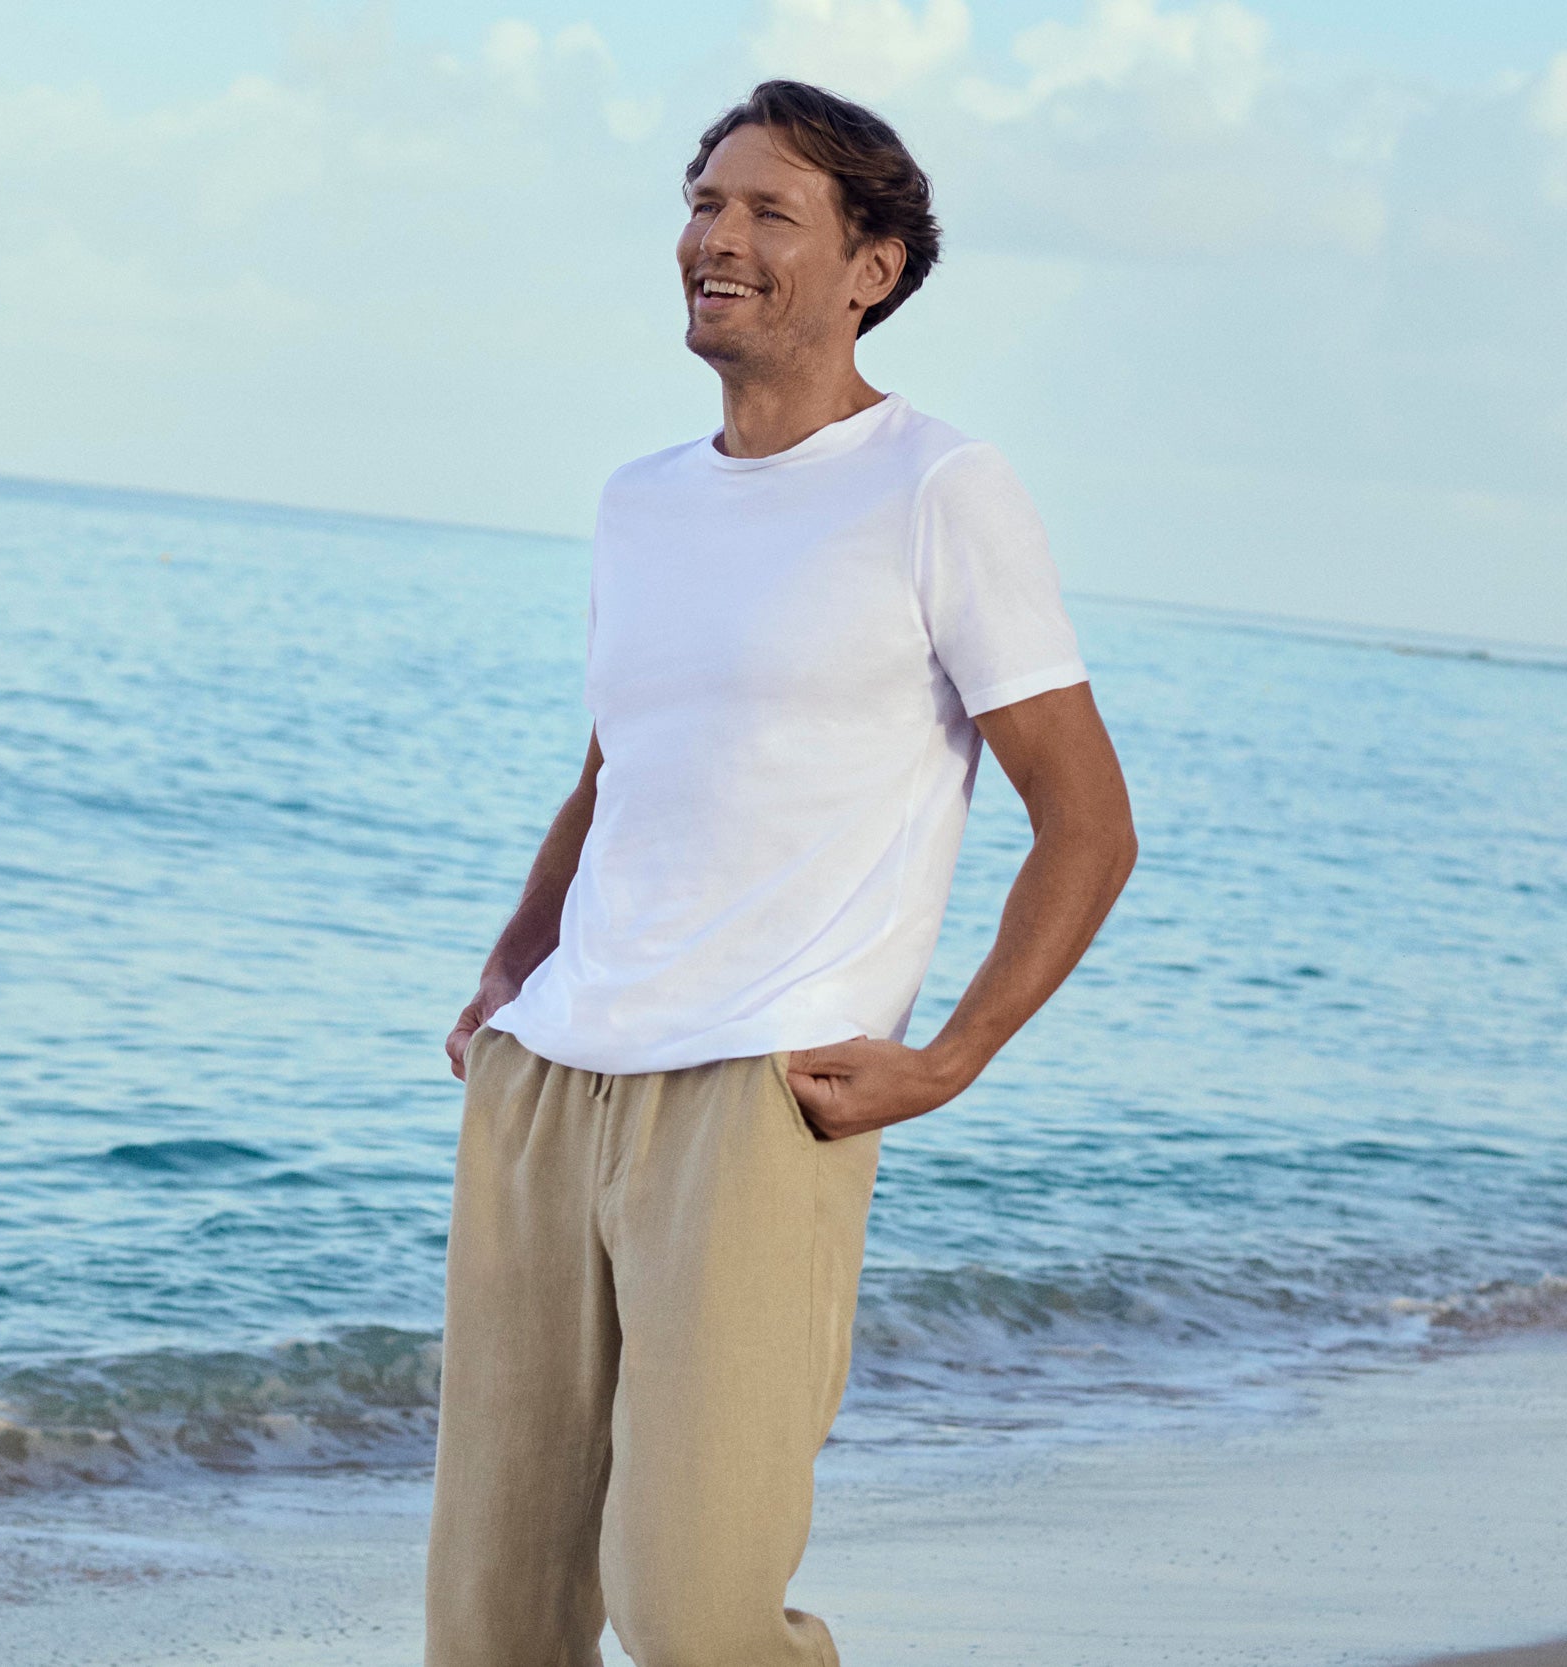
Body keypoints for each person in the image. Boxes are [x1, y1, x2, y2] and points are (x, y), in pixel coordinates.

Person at [423, 79, 1141, 1667]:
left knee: (694, 1612)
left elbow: (1088, 823)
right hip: (550, 1084)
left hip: (761, 1095)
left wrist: (950, 1058)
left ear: (871, 269)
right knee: (491, 1622)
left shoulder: (939, 487)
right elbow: (617, 771)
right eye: (704, 205)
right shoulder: (641, 502)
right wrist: (512, 965)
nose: (718, 239)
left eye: (768, 212)